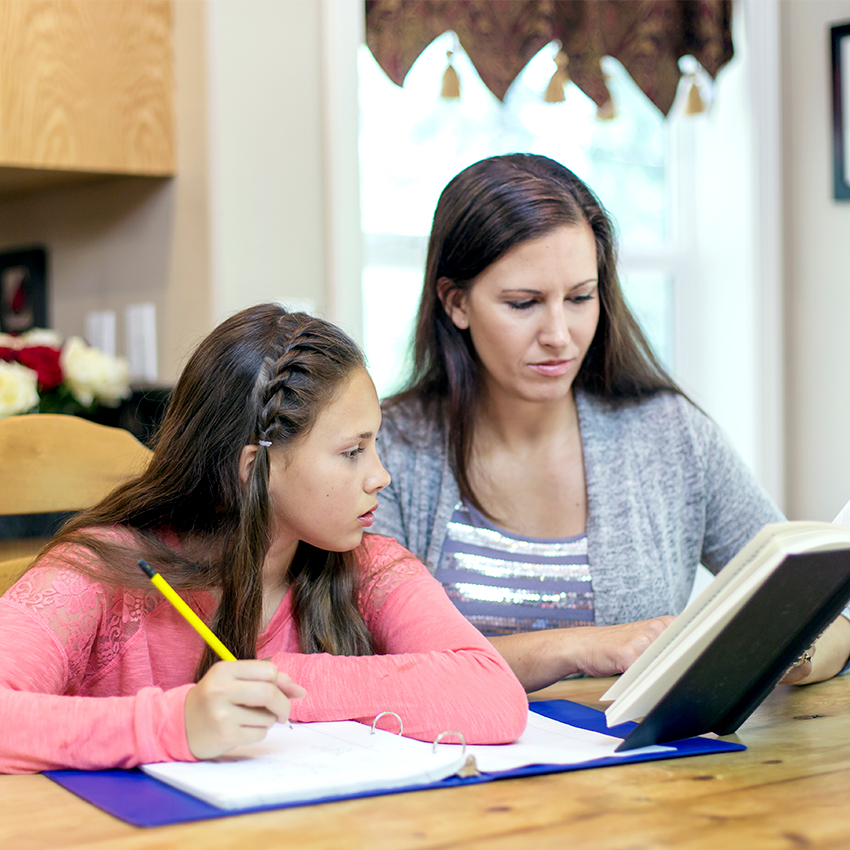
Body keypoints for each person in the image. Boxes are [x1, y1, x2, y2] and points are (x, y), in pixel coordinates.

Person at [373, 153, 850, 692]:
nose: (560, 333)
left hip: (636, 772)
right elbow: (369, 656)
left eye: (580, 297)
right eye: (524, 303)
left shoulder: (669, 436)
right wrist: (581, 645)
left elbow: (826, 613)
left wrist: (789, 647)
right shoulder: (385, 450)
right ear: (455, 302)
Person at [0, 304, 527, 774]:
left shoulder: (368, 566)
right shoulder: (99, 571)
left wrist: (287, 678)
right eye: (352, 452)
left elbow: (491, 692)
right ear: (255, 470)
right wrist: (177, 723)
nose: (380, 476)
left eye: (375, 445)